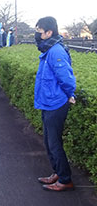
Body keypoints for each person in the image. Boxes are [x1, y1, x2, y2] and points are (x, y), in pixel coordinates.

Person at [34, 16, 76, 192]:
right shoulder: (49, 49)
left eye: (40, 32)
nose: (37, 36)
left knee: (54, 143)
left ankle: (65, 179)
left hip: (56, 103)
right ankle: (57, 173)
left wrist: (69, 94)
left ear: (49, 32)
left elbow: (66, 78)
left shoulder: (56, 51)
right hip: (48, 102)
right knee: (49, 141)